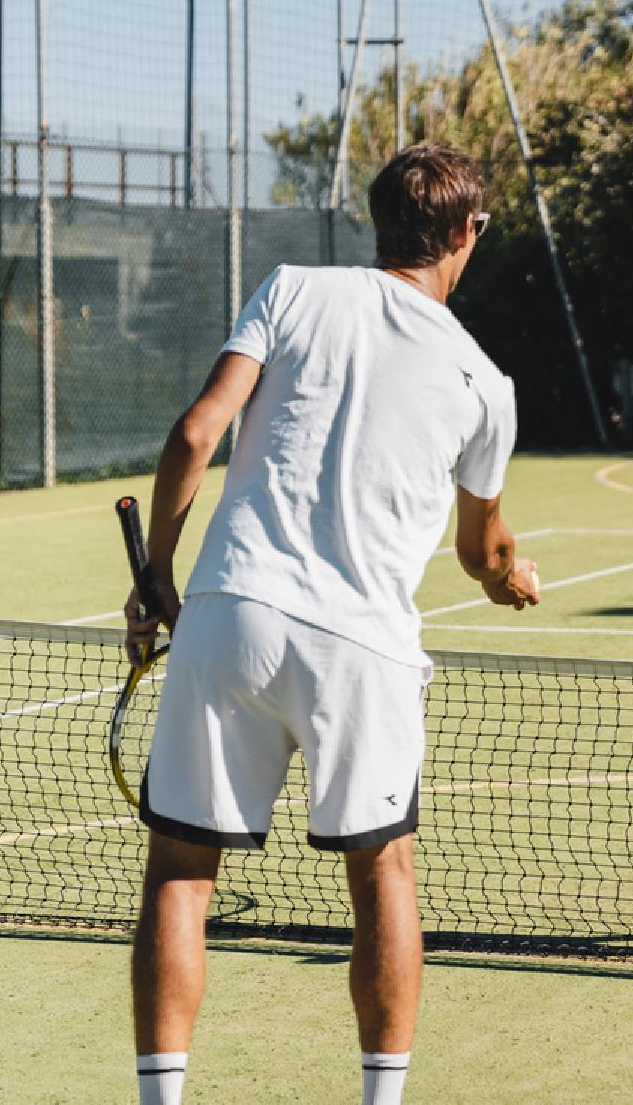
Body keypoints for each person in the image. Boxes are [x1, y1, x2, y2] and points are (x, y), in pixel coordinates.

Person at [121, 142, 538, 1105]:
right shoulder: (486, 384)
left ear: (378, 221)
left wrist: (154, 575)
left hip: (230, 614)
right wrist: (506, 577)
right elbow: (482, 552)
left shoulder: (292, 288)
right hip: (363, 650)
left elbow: (195, 433)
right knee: (384, 873)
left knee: (179, 872)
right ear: (467, 233)